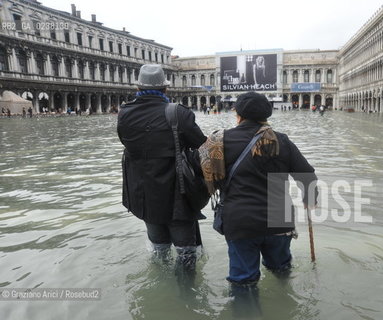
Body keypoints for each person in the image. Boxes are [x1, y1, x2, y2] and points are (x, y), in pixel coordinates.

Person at [199, 92, 317, 296]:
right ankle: (283, 303)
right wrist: (309, 199)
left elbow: (203, 176)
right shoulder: (281, 141)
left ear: (238, 114)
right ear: (266, 115)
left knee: (243, 281)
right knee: (281, 269)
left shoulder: (218, 141)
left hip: (240, 220)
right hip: (280, 218)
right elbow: (307, 176)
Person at [117, 64, 206, 272]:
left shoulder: (124, 114)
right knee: (186, 253)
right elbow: (201, 146)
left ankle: (160, 290)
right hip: (178, 196)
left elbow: (127, 143)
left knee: (159, 251)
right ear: (165, 89)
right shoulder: (178, 113)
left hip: (144, 196)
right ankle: (185, 299)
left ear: (138, 88)